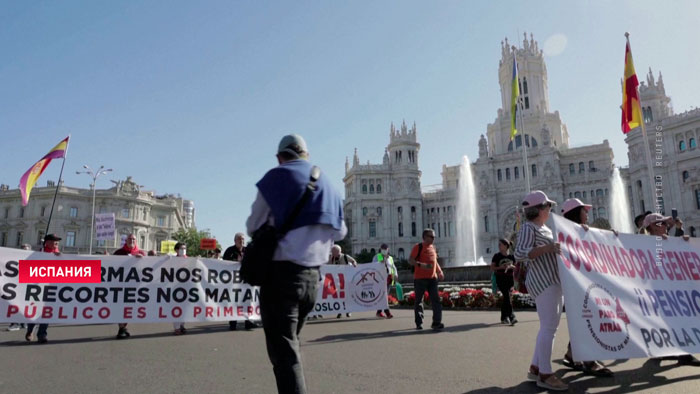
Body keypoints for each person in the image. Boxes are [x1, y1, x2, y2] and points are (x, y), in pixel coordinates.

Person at [246, 134, 346, 394]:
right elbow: (341, 232)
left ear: (280, 157)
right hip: (312, 280)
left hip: (281, 278)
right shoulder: (328, 184)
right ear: (306, 155)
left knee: (284, 356)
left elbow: (253, 225)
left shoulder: (276, 178)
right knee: (291, 346)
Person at [514, 191, 567, 391]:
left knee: (547, 327)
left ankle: (536, 367)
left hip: (552, 280)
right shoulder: (529, 227)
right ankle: (545, 374)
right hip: (543, 282)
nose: (550, 210)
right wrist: (548, 249)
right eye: (548, 207)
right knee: (549, 328)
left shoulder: (543, 228)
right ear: (540, 209)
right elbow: (519, 253)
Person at [560, 198, 614, 377]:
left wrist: (610, 236)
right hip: (575, 283)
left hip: (587, 283)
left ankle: (571, 353)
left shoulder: (587, 232)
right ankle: (589, 361)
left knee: (584, 318)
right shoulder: (565, 233)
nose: (588, 214)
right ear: (576, 213)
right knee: (587, 318)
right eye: (584, 211)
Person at [642, 214, 700, 366]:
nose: (666, 226)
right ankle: (680, 354)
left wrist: (684, 241)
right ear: (653, 226)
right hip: (657, 291)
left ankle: (676, 352)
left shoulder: (667, 241)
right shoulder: (643, 243)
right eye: (662, 223)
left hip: (671, 290)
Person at [26, 234, 61, 343]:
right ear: (47, 242)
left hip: (51, 287)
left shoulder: (59, 254)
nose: (56, 243)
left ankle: (42, 334)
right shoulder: (39, 252)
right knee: (34, 309)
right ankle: (30, 330)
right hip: (37, 286)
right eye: (53, 240)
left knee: (46, 312)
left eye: (57, 241)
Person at [409, 229, 445, 331]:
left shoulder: (433, 247)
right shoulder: (418, 247)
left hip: (432, 279)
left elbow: (435, 261)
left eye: (434, 237)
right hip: (420, 279)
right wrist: (420, 265)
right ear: (424, 237)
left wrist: (439, 271)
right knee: (419, 301)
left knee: (436, 300)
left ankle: (436, 322)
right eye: (431, 237)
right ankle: (419, 323)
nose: (433, 239)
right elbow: (410, 260)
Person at [113, 234, 145, 339]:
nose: (132, 240)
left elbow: (147, 268)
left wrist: (143, 260)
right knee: (120, 307)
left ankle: (124, 327)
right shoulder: (118, 253)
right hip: (120, 286)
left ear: (136, 241)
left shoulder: (141, 253)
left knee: (129, 308)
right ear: (126, 241)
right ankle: (121, 328)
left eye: (133, 239)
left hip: (134, 287)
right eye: (130, 239)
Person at [222, 233, 256, 330]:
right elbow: (223, 264)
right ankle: (233, 323)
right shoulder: (229, 251)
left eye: (243, 239)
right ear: (235, 240)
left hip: (246, 282)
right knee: (234, 302)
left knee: (248, 301)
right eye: (240, 239)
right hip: (233, 283)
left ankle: (248, 322)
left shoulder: (248, 250)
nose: (242, 241)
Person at [491, 238, 516, 325]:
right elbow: (492, 268)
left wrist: (511, 266)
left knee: (506, 298)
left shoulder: (511, 256)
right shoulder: (497, 256)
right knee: (507, 296)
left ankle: (504, 317)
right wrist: (501, 267)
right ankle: (512, 316)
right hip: (500, 279)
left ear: (506, 246)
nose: (499, 246)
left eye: (500, 245)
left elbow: (517, 267)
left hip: (510, 280)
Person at [329, 245, 356, 318]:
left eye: (333, 252)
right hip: (337, 281)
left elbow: (353, 261)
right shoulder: (331, 258)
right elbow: (327, 267)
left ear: (338, 251)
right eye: (332, 251)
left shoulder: (345, 257)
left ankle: (348, 311)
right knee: (338, 296)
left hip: (346, 280)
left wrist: (354, 264)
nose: (332, 253)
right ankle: (340, 311)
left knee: (347, 296)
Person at [372, 244, 397, 318]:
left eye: (385, 249)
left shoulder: (390, 258)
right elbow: (373, 266)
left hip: (389, 278)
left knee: (384, 295)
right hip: (380, 279)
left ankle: (379, 312)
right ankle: (387, 312)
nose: (384, 250)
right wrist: (381, 262)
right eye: (383, 248)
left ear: (388, 249)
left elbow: (393, 267)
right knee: (384, 296)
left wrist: (395, 274)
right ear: (380, 249)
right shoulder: (378, 256)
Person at [172, 242, 187, 335]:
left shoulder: (189, 260)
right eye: (181, 248)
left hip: (186, 287)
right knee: (176, 307)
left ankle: (182, 325)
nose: (183, 250)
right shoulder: (172, 259)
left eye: (185, 248)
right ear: (176, 250)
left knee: (185, 307)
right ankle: (177, 327)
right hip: (175, 287)